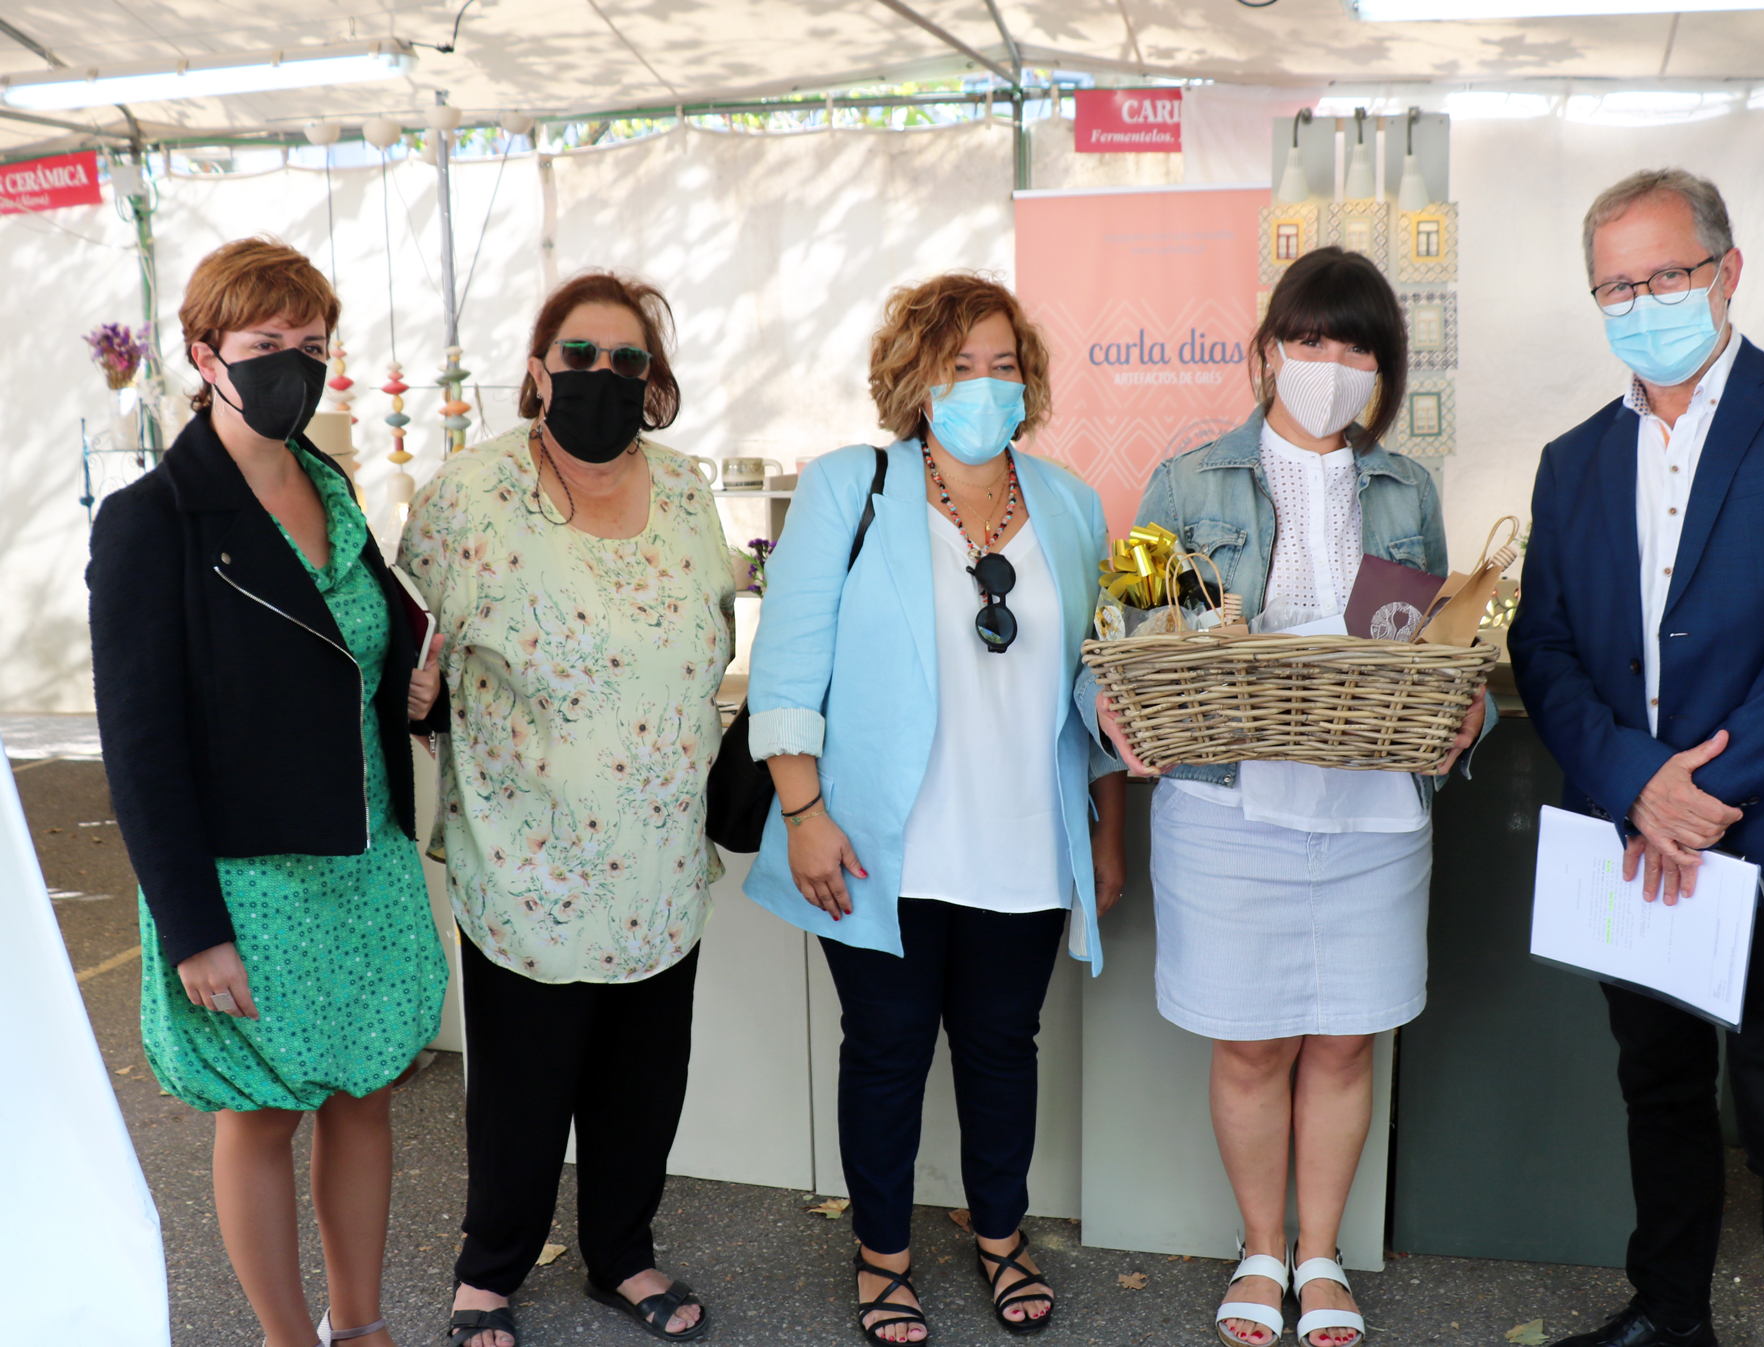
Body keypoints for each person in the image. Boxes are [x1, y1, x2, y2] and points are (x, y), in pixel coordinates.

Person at [1508, 169, 1764, 1347]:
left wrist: (1702, 791)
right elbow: (1543, 646)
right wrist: (1637, 783)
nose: (1641, 303)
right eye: (1614, 287)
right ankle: (1669, 1316)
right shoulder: (1571, 460)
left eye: (1664, 275)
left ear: (1724, 272)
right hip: (1634, 833)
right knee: (1659, 1091)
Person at [1095, 246, 1490, 1347]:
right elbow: (1125, 638)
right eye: (1309, 339)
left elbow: (1440, 648)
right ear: (1268, 349)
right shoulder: (1183, 482)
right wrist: (1111, 717)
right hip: (1229, 806)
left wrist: (1469, 716)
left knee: (1347, 1042)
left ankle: (1320, 1256)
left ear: (1383, 368)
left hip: (1374, 811)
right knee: (1251, 1044)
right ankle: (1260, 1250)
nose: (1329, 363)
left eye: (1354, 346)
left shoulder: (1406, 488)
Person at [743, 272, 1126, 1343]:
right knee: (886, 1051)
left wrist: (1107, 830)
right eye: (959, 365)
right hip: (876, 843)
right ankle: (882, 1254)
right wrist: (804, 813)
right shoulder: (849, 487)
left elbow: (1098, 682)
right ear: (914, 376)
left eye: (1003, 365)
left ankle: (1000, 1235)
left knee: (1005, 1048)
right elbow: (787, 664)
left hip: (1024, 839)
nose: (983, 385)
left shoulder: (1068, 504)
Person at [89, 236, 449, 1347]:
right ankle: (288, 1338)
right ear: (205, 355)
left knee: (364, 1096)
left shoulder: (331, 485)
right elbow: (140, 747)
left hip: (365, 854)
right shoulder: (151, 521)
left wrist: (412, 681)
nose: (295, 362)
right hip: (248, 880)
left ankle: (362, 1327)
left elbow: (359, 643)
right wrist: (192, 927)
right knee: (261, 1114)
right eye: (266, 342)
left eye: (312, 342)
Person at [400, 271, 734, 1347]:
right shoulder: (468, 496)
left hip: (659, 855)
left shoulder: (686, 492)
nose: (601, 375)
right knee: (523, 1088)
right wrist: (415, 695)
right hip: (526, 858)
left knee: (643, 1080)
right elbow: (406, 659)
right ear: (538, 370)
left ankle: (622, 1254)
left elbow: (714, 636)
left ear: (653, 379)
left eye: (626, 360)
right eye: (578, 356)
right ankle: (489, 1268)